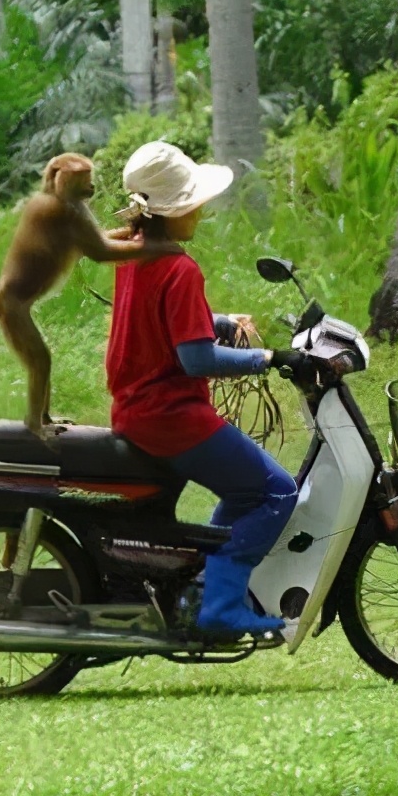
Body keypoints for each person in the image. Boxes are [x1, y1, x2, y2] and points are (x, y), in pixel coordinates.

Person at [105, 141, 306, 636]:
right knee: (278, 492)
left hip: (136, 408)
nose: (200, 209)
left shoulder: (132, 254)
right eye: (191, 201)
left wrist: (216, 321)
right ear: (171, 211)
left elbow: (160, 322)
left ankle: (205, 588)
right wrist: (269, 358)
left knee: (246, 489)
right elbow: (195, 360)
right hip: (172, 416)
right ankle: (219, 604)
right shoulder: (181, 268)